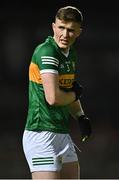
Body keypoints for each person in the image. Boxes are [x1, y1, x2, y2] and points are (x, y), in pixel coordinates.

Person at [22, 6, 92, 179]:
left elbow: (67, 90)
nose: (65, 34)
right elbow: (53, 98)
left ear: (79, 32)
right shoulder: (47, 51)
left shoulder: (70, 54)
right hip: (41, 134)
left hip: (62, 132)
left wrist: (80, 116)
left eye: (70, 30)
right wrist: (75, 94)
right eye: (61, 28)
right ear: (53, 26)